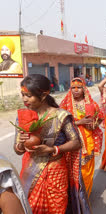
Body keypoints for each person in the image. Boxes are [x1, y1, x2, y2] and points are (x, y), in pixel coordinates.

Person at [14, 74, 91, 213]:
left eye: (29, 95)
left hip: (55, 172)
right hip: (30, 170)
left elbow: (76, 142)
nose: (24, 99)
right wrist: (20, 143)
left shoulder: (61, 115)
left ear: (44, 95)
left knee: (56, 208)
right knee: (30, 208)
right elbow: (18, 151)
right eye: (23, 95)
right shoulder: (22, 116)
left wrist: (53, 149)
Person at [60, 77, 104, 197]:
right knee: (70, 170)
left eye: (79, 87)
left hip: (88, 140)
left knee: (86, 170)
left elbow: (100, 117)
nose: (76, 90)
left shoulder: (91, 104)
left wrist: (94, 125)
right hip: (70, 141)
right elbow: (59, 123)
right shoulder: (65, 105)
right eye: (73, 88)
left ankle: (84, 196)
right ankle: (73, 196)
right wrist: (80, 122)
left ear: (84, 89)